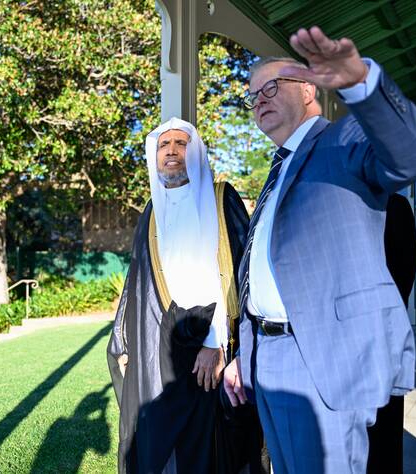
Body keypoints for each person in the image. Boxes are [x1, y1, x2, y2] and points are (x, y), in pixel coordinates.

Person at [223, 26, 416, 473]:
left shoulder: (342, 141)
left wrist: (362, 84)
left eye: (270, 88)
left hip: (321, 359)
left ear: (308, 89)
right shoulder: (278, 171)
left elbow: (415, 156)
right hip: (266, 355)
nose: (259, 101)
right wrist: (246, 353)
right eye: (252, 96)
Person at [107, 118, 253, 473]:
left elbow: (241, 274)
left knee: (211, 449)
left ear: (196, 151)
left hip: (212, 347)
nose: (171, 151)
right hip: (163, 346)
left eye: (181, 143)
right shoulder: (151, 212)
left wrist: (216, 343)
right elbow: (137, 284)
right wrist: (124, 342)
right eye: (163, 145)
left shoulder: (221, 199)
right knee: (160, 444)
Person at [366, 192, 416, 473]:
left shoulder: (394, 206)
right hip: (381, 338)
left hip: (381, 341)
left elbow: (403, 272)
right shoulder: (395, 205)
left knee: (382, 439)